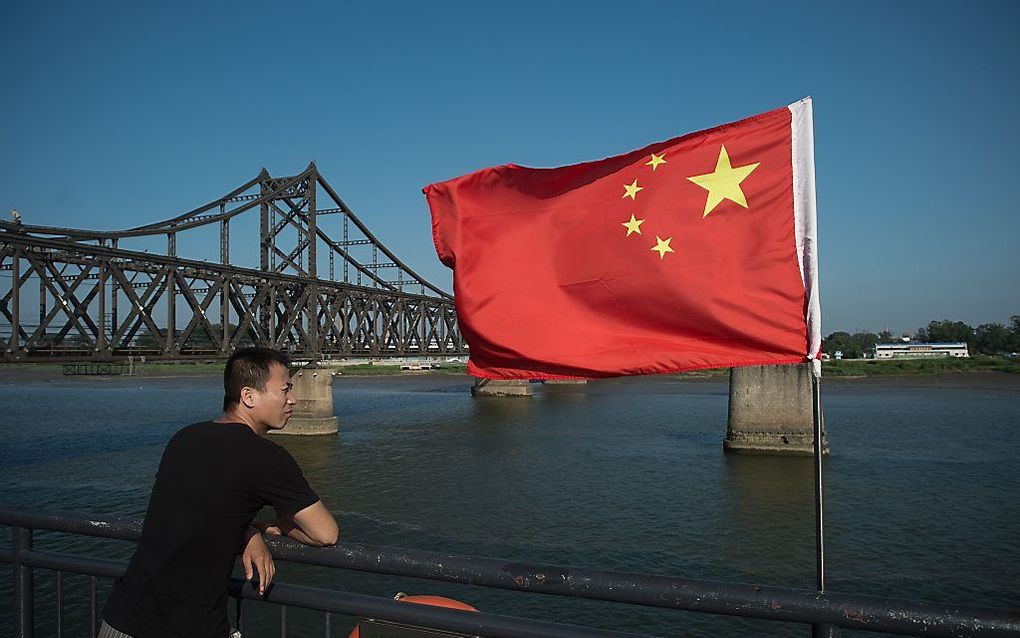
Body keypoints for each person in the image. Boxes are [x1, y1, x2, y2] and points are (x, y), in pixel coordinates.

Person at [100, 347, 340, 638]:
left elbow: (203, 508)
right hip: (186, 628)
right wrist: (270, 527)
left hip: (122, 618)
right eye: (285, 389)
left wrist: (247, 531)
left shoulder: (184, 439)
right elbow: (325, 533)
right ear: (248, 396)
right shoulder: (267, 458)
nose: (293, 399)